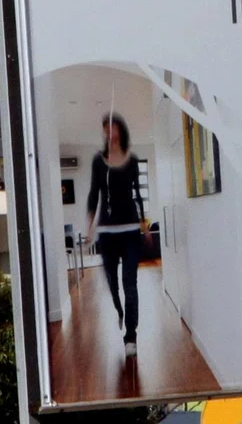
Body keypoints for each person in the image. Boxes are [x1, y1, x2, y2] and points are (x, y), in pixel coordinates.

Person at [85, 112, 145, 358]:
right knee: (112, 283)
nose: (109, 130)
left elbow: (137, 194)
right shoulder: (98, 162)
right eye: (105, 127)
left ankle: (131, 336)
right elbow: (93, 193)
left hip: (130, 231)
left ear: (121, 129)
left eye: (113, 125)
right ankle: (119, 311)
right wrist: (89, 226)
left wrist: (143, 224)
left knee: (129, 283)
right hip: (107, 234)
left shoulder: (132, 161)